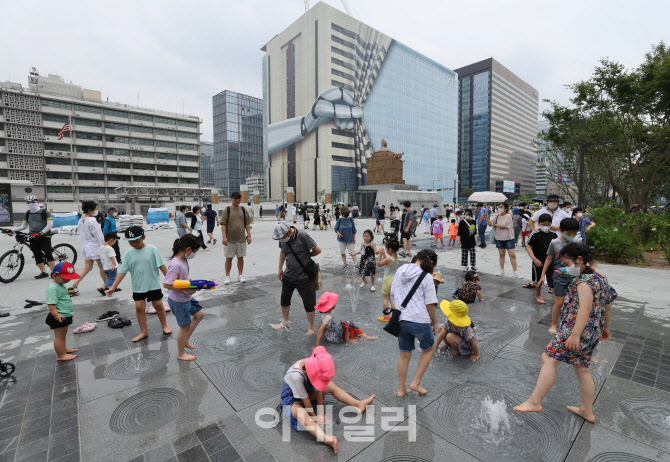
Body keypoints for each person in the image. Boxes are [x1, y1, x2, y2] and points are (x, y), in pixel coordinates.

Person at [514, 243, 613, 423]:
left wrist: (574, 335)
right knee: (582, 368)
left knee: (549, 358)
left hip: (576, 330)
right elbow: (606, 303)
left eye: (568, 263)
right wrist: (605, 327)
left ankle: (535, 401)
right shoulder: (601, 276)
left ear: (580, 260)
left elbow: (585, 308)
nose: (567, 268)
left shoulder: (584, 281)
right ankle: (586, 410)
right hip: (592, 331)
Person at [280, 346, 375, 454]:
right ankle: (326, 439)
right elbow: (306, 401)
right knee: (302, 414)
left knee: (331, 386)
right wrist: (315, 417)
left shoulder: (313, 365)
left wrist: (321, 412)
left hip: (306, 394)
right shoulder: (296, 376)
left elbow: (318, 390)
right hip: (292, 401)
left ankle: (358, 403)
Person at [106, 226, 173, 342]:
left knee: (158, 306)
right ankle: (144, 331)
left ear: (143, 237)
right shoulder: (128, 254)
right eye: (131, 241)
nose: (134, 243)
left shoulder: (152, 249)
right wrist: (113, 286)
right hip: (138, 286)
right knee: (139, 308)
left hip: (153, 285)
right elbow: (122, 271)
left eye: (137, 240)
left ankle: (164, 326)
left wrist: (170, 280)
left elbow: (161, 265)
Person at [391, 249, 439, 397]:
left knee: (404, 354)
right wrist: (435, 323)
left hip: (401, 319)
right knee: (429, 348)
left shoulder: (400, 269)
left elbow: (392, 294)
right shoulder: (427, 276)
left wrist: (397, 314)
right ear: (430, 262)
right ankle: (416, 383)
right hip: (419, 320)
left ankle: (401, 389)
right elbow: (430, 304)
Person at [272, 222, 322, 335]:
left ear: (289, 231)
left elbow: (318, 250)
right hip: (288, 274)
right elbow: (282, 252)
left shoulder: (302, 236)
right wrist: (280, 268)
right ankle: (285, 321)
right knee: (284, 298)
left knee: (309, 302)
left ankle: (311, 327)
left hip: (304, 276)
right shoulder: (283, 238)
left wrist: (305, 255)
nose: (281, 240)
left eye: (282, 237)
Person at [163, 234, 205, 361]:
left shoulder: (183, 260)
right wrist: (187, 289)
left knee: (199, 314)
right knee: (184, 326)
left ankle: (185, 340)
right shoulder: (176, 264)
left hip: (185, 296)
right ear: (188, 249)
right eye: (194, 251)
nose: (194, 254)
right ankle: (180, 353)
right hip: (179, 300)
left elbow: (179, 279)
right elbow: (167, 283)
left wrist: (189, 282)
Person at [540, 218, 581, 335]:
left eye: (574, 232)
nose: (571, 236)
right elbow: (549, 259)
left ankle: (572, 324)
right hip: (559, 277)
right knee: (559, 302)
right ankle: (554, 324)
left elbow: (582, 259)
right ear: (561, 230)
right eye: (569, 233)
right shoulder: (555, 242)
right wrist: (543, 275)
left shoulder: (578, 241)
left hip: (575, 277)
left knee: (575, 302)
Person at [11, 195, 55, 278]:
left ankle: (54, 272)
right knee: (37, 254)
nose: (30, 204)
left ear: (37, 202)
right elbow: (24, 225)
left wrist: (42, 232)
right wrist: (12, 230)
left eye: (33, 202)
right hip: (33, 236)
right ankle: (43, 272)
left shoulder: (45, 212)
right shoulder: (27, 214)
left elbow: (50, 224)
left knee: (48, 253)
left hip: (44, 236)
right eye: (28, 202)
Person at [46, 262, 80, 361]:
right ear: (54, 275)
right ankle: (60, 355)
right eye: (65, 277)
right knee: (59, 337)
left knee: (63, 334)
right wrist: (56, 315)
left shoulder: (60, 285)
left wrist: (70, 294)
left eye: (69, 277)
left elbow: (62, 297)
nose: (67, 280)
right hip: (59, 316)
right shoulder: (53, 288)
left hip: (64, 315)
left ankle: (63, 349)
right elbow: (51, 304)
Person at [70, 201, 106, 295]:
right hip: (95, 247)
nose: (97, 211)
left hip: (85, 247)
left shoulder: (81, 219)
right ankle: (107, 285)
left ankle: (74, 285)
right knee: (102, 267)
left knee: (87, 267)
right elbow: (98, 236)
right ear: (90, 210)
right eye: (96, 209)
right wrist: (103, 246)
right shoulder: (92, 221)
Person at [524, 214, 558, 304]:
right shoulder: (535, 234)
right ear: (539, 223)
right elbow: (528, 247)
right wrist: (534, 259)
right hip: (538, 260)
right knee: (538, 279)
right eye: (543, 224)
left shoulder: (553, 235)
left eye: (548, 224)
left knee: (553, 279)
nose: (546, 226)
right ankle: (538, 295)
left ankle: (557, 297)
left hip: (550, 261)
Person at [221, 192, 252, 284]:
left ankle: (240, 275)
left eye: (239, 198)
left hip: (241, 238)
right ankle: (227, 276)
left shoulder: (243, 209)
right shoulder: (227, 210)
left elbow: (247, 223)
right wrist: (224, 237)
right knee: (229, 258)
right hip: (230, 239)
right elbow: (223, 224)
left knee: (240, 257)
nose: (237, 200)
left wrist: (249, 235)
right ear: (231, 199)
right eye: (235, 198)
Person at [490, 203, 521, 277]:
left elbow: (502, 226)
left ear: (506, 209)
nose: (500, 208)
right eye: (499, 207)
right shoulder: (497, 216)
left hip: (508, 238)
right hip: (499, 237)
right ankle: (501, 270)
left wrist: (495, 224)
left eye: (501, 207)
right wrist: (486, 217)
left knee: (512, 255)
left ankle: (515, 271)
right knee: (501, 254)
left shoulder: (509, 216)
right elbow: (490, 224)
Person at [377, 239, 401, 322]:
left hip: (387, 280)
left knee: (385, 298)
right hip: (394, 280)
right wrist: (384, 254)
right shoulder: (395, 257)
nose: (386, 250)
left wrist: (380, 255)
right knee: (392, 298)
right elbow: (387, 262)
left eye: (386, 249)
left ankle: (386, 315)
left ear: (390, 250)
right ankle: (394, 315)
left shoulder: (389, 259)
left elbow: (379, 264)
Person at [98, 232, 120, 296]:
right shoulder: (110, 248)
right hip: (111, 267)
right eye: (114, 242)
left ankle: (113, 287)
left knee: (110, 277)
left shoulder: (101, 247)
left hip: (105, 267)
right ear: (111, 240)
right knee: (113, 278)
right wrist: (114, 265)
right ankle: (102, 288)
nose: (114, 243)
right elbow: (112, 257)